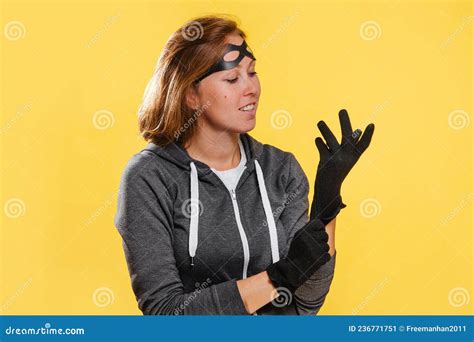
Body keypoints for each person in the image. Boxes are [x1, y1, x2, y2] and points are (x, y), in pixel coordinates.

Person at [114, 15, 375, 315]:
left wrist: (325, 209)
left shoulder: (281, 169)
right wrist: (277, 278)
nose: (251, 88)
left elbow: (306, 303)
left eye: (252, 72)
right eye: (232, 78)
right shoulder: (150, 178)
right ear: (190, 94)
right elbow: (166, 314)